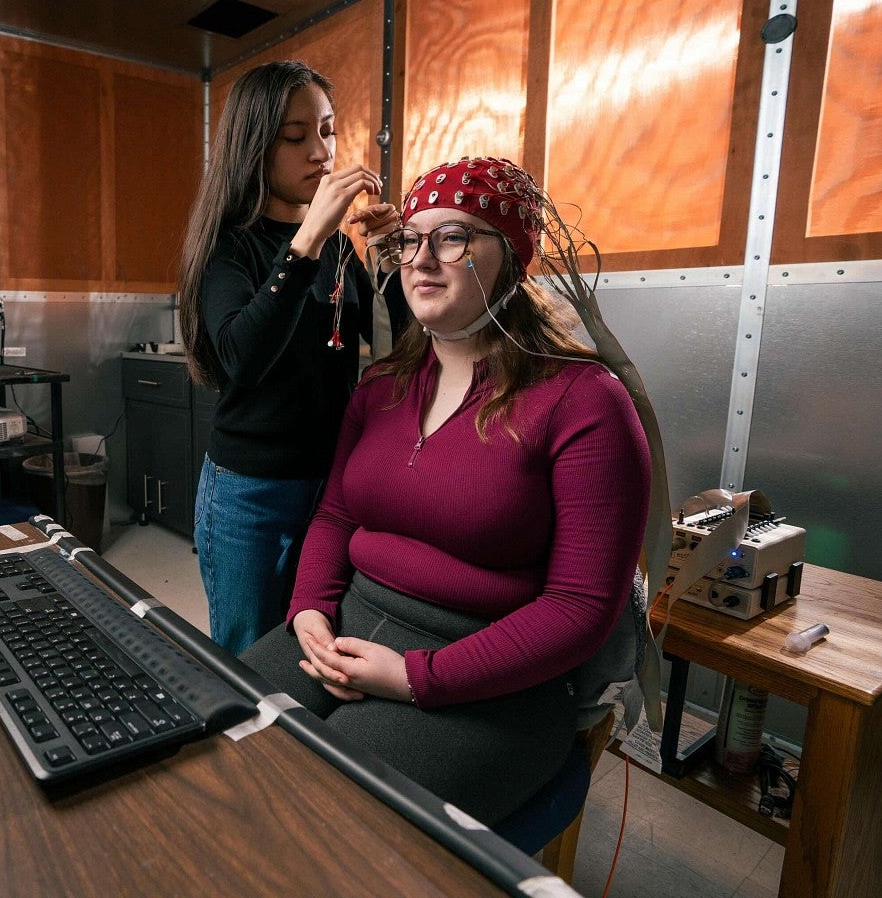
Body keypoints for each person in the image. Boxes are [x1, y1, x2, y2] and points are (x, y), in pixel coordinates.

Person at [239, 156, 651, 825]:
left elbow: (580, 608)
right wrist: (309, 610)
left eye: (454, 236)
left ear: (511, 258)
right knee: (216, 739)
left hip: (493, 675)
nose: (421, 258)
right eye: (410, 238)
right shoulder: (381, 386)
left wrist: (414, 679)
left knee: (317, 815)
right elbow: (337, 516)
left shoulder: (584, 402)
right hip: (348, 625)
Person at [178, 60, 406, 655]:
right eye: (295, 136)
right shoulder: (233, 245)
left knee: (313, 642)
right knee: (249, 652)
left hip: (331, 484)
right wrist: (304, 245)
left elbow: (402, 345)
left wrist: (393, 260)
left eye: (328, 131)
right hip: (251, 490)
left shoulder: (335, 245)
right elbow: (239, 359)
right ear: (255, 146)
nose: (321, 153)